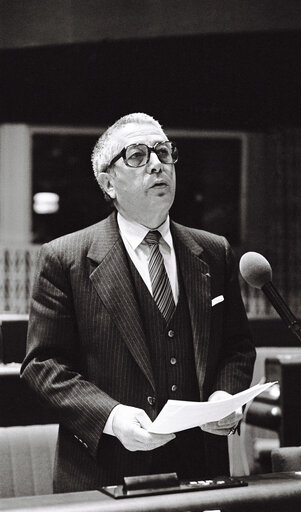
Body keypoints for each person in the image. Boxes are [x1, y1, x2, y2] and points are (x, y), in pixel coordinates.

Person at [21, 113, 256, 493]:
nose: (156, 163)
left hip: (201, 471)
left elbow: (237, 347)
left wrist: (224, 395)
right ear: (108, 182)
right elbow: (43, 366)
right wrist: (111, 417)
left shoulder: (214, 252)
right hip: (106, 475)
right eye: (136, 155)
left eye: (163, 151)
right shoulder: (65, 258)